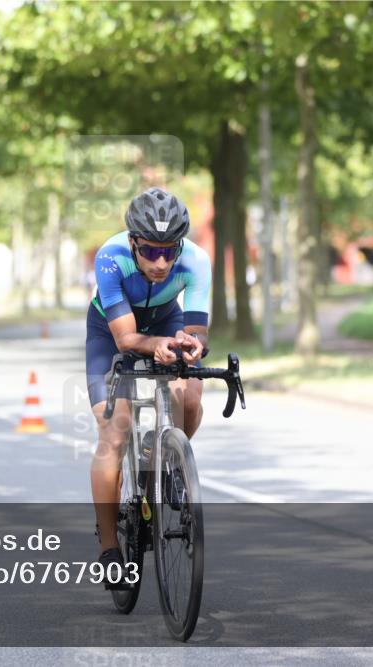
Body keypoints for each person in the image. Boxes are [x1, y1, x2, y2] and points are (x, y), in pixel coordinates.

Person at [85, 187, 211, 587]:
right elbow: (125, 339)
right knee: (115, 431)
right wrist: (156, 344)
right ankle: (109, 547)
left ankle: (164, 457)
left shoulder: (196, 260)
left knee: (189, 397)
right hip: (110, 332)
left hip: (164, 321)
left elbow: (197, 329)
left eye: (169, 252)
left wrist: (191, 344)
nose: (161, 262)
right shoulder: (110, 257)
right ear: (133, 243)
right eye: (151, 251)